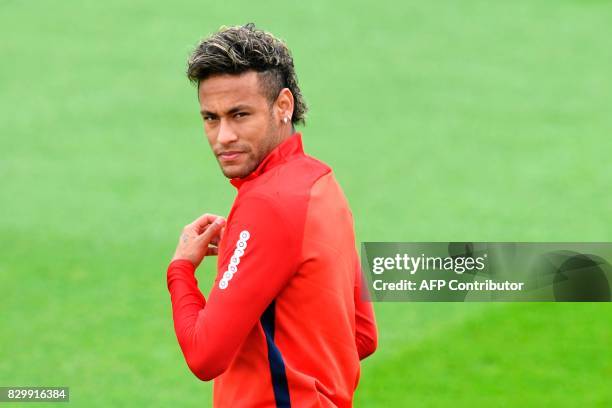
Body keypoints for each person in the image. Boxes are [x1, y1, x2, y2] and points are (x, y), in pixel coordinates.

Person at [166, 23, 377, 408]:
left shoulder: (267, 204)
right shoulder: (322, 184)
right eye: (210, 118)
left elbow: (204, 356)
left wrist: (180, 270)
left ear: (283, 106)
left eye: (239, 115)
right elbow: (362, 336)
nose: (222, 136)